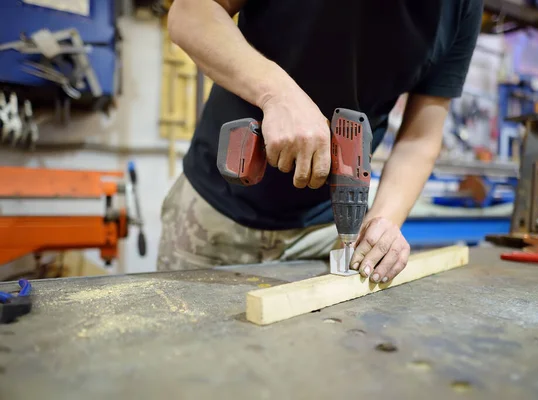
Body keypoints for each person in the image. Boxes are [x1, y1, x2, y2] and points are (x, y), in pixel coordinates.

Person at [158, 0, 483, 284]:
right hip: (213, 214)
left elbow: (420, 138)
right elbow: (190, 13)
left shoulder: (462, 6)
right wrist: (277, 93)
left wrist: (385, 219)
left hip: (329, 232)